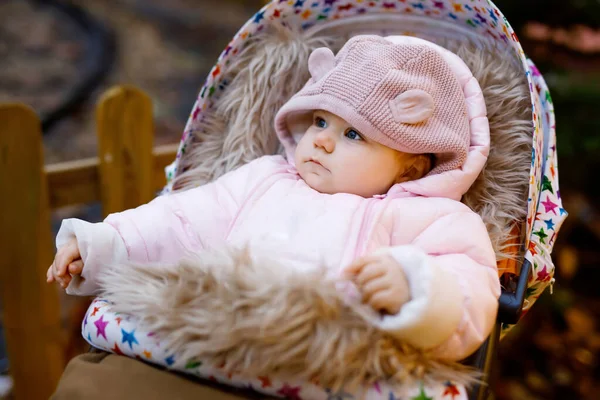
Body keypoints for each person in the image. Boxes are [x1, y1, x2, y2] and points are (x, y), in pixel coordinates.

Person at [47, 35, 500, 362]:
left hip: (326, 365)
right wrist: (100, 245)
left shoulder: (430, 217)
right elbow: (181, 220)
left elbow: (470, 285)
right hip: (205, 342)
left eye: (354, 134)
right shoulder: (264, 179)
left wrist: (417, 289)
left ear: (411, 166)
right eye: (320, 121)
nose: (321, 141)